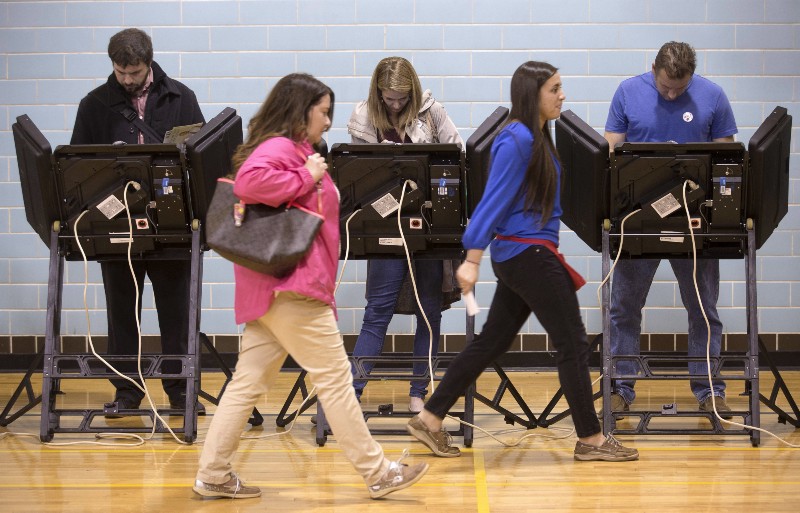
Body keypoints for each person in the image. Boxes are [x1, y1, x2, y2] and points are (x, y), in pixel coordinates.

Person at [193, 73, 429, 500]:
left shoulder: (296, 150)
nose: (327, 121)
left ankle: (212, 474)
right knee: (337, 380)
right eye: (323, 112)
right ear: (300, 111)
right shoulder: (284, 149)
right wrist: (306, 175)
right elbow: (248, 183)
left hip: (272, 291)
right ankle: (378, 472)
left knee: (247, 383)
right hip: (293, 288)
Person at [405, 61, 639, 462]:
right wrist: (472, 258)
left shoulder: (537, 137)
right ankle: (591, 439)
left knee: (492, 342)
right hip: (527, 254)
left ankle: (429, 417)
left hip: (527, 254)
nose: (562, 95)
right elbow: (492, 200)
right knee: (573, 342)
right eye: (555, 88)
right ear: (533, 94)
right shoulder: (516, 139)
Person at [70, 28, 205, 413]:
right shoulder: (94, 104)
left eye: (135, 72)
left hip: (171, 222)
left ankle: (181, 392)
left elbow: (201, 156)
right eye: (120, 72)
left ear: (149, 62)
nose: (127, 80)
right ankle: (127, 392)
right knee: (122, 311)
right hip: (116, 222)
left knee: (176, 312)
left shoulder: (182, 97)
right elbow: (78, 167)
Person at [603, 41, 738, 417]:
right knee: (624, 308)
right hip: (637, 219)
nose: (673, 93)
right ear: (653, 69)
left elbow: (725, 157)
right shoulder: (628, 92)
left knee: (703, 308)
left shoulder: (713, 96)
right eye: (666, 87)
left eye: (681, 88)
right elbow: (609, 148)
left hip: (694, 221)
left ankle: (709, 390)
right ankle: (620, 388)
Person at [346, 56, 463, 413]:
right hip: (383, 226)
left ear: (411, 92)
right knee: (377, 311)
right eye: (388, 98)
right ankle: (351, 396)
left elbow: (458, 155)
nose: (394, 105)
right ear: (377, 93)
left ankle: (418, 394)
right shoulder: (364, 116)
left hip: (426, 226)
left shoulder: (432, 112)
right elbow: (355, 176)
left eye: (401, 98)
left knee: (429, 312)